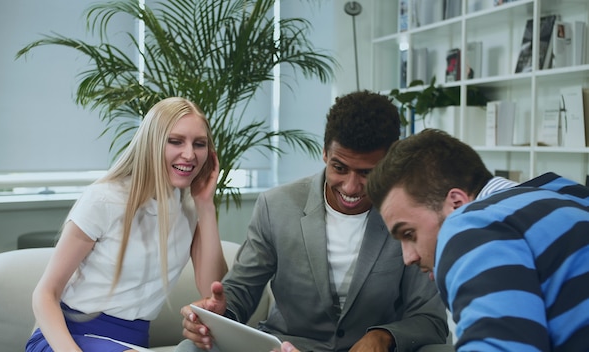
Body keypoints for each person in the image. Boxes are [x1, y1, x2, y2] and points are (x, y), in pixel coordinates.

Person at [178, 90, 449, 352]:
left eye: (367, 172)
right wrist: (218, 311)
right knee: (191, 347)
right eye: (339, 168)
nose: (352, 187)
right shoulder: (277, 206)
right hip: (286, 348)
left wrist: (383, 336)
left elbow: (430, 317)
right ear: (324, 153)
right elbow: (241, 292)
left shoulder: (412, 215)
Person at [25, 97, 228, 352]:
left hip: (132, 343)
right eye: (175, 141)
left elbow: (213, 289)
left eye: (199, 144)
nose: (189, 154)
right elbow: (44, 294)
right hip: (67, 338)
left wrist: (206, 205)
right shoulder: (105, 199)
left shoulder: (190, 206)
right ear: (152, 144)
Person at [365, 128, 589, 351]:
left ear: (456, 203)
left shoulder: (472, 223)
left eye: (409, 234)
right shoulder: (567, 195)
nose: (408, 257)